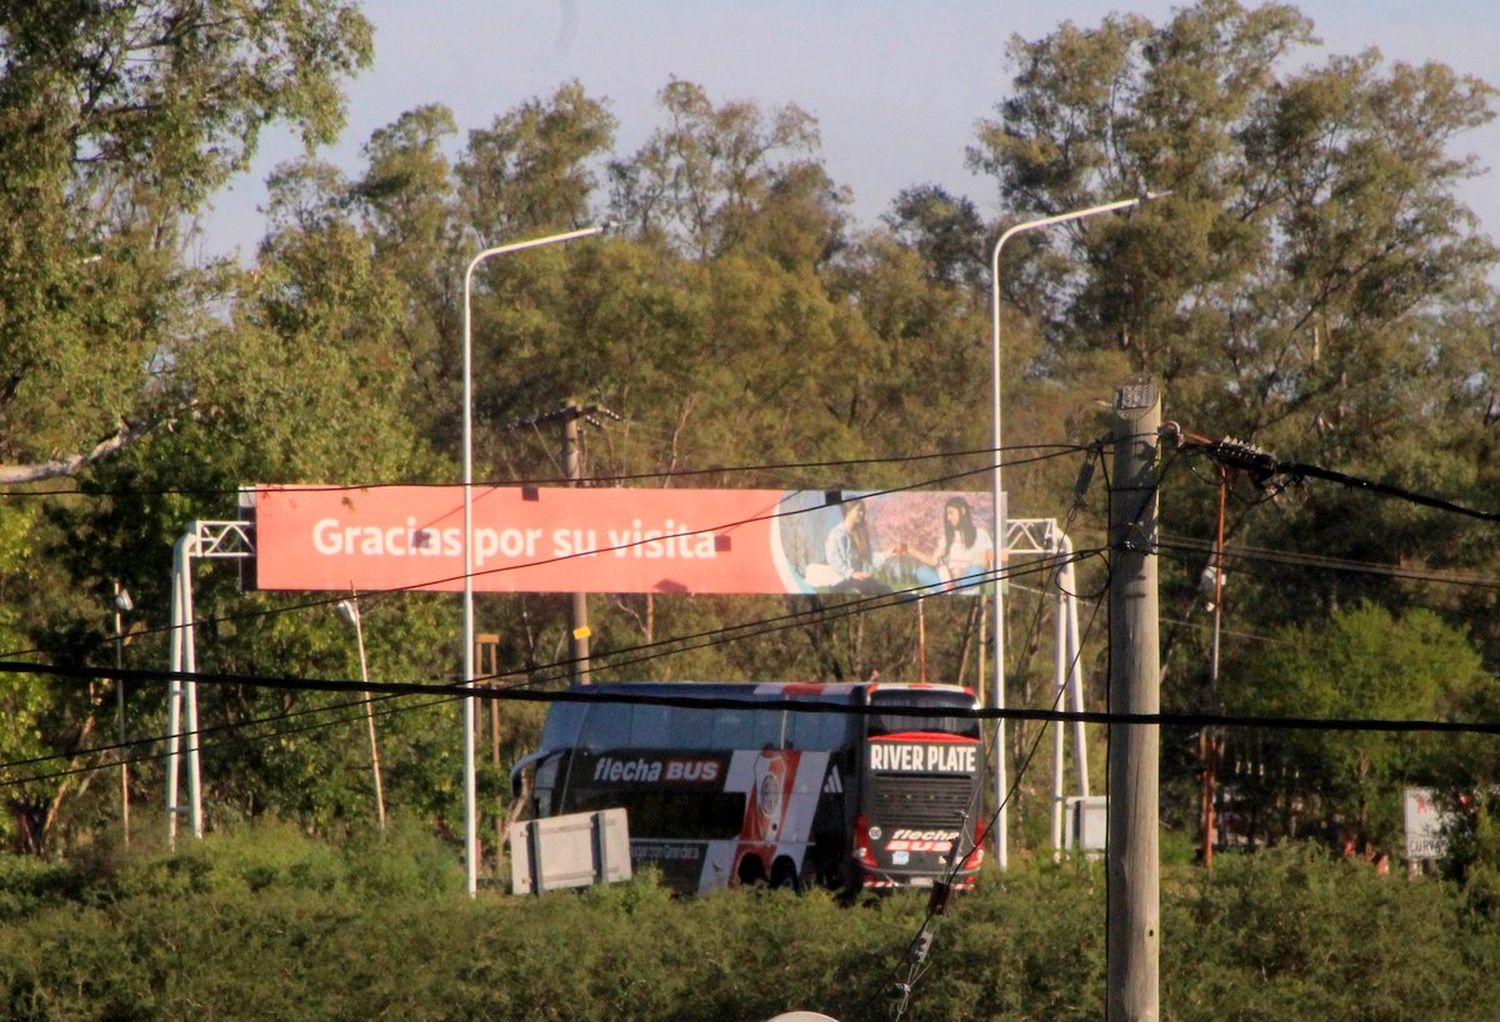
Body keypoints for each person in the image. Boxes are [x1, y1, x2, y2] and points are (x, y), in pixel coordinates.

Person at [908, 496, 994, 591]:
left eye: (951, 513)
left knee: (978, 570)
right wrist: (913, 551)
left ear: (962, 511)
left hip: (968, 576)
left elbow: (983, 564)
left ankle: (952, 588)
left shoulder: (980, 533)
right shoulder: (947, 536)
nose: (948, 518)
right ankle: (950, 588)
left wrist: (961, 573)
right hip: (949, 578)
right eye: (947, 515)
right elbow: (934, 561)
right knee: (922, 571)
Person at [822, 501, 892, 594]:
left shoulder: (859, 535)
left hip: (856, 581)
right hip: (839, 582)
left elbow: (871, 558)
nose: (862, 513)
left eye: (863, 511)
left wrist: (889, 553)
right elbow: (833, 559)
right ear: (848, 511)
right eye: (858, 510)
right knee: (868, 586)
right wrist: (851, 573)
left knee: (885, 589)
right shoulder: (836, 534)